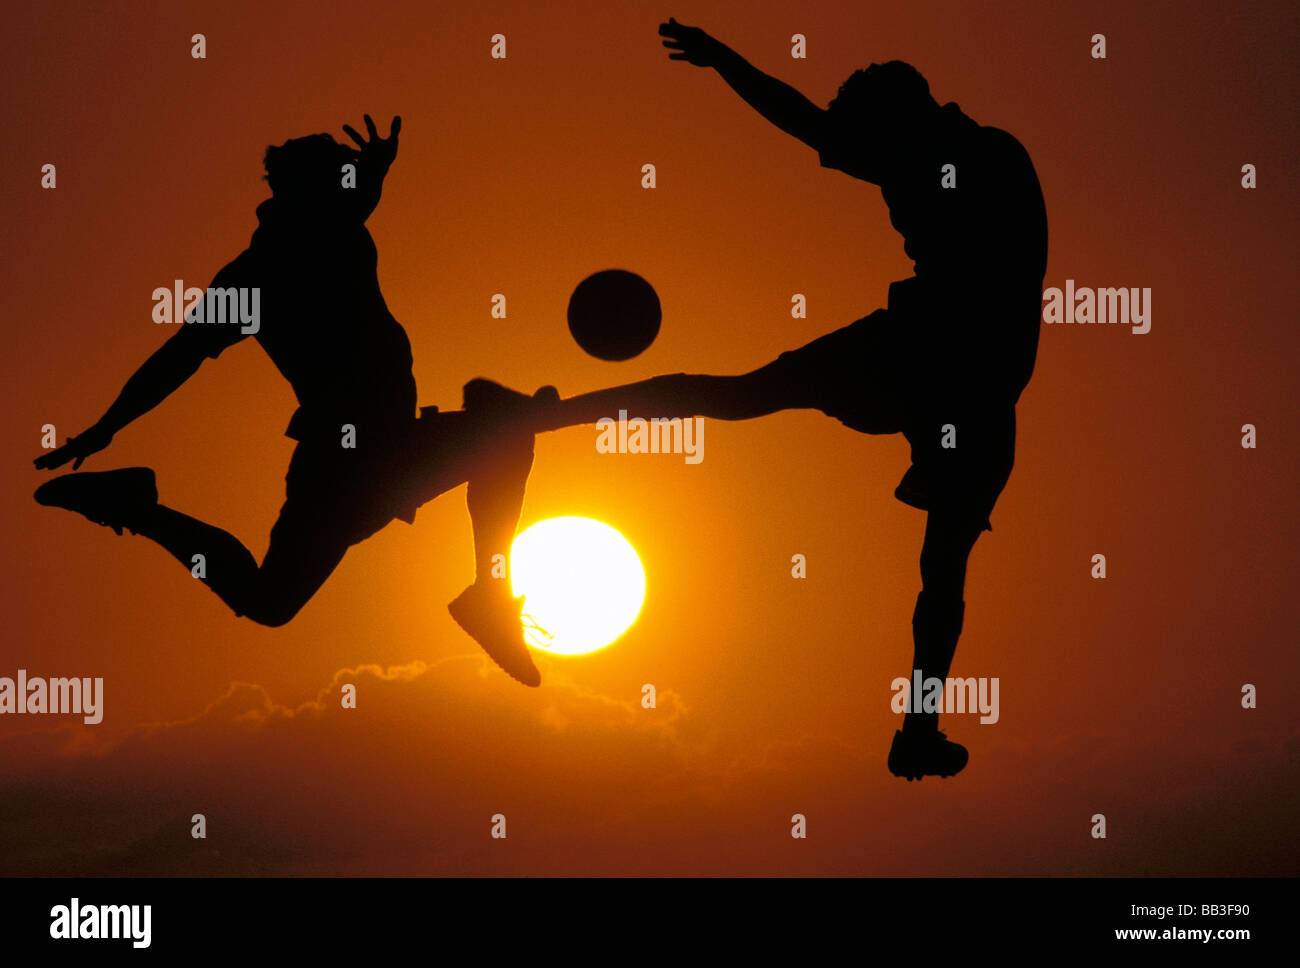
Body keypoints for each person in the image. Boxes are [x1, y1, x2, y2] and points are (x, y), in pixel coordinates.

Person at [521, 19, 1048, 778]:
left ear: (897, 118)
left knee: (755, 406)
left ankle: (918, 729)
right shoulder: (938, 149)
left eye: (859, 131)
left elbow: (810, 125)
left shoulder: (974, 157)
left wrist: (722, 60)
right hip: (956, 366)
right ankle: (919, 728)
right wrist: (724, 61)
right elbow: (803, 122)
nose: (849, 151)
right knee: (756, 407)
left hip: (949, 361)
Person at [33, 115, 552, 687]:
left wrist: (375, 172)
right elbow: (178, 357)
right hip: (340, 460)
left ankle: (489, 592)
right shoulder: (256, 279)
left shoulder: (339, 227)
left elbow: (359, 197)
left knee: (501, 435)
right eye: (338, 175)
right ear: (305, 190)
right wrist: (107, 426)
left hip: (392, 446)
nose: (349, 183)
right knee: (270, 601)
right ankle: (135, 506)